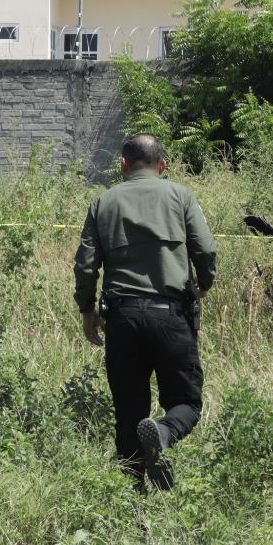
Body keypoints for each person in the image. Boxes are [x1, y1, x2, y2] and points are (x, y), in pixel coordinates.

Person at [74, 133, 218, 490]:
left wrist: (87, 310)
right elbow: (206, 250)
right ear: (163, 166)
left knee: (128, 411)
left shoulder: (103, 202)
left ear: (123, 164)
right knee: (186, 402)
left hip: (121, 321)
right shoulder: (180, 196)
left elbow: (86, 265)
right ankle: (165, 432)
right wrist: (203, 284)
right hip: (170, 316)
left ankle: (133, 496)